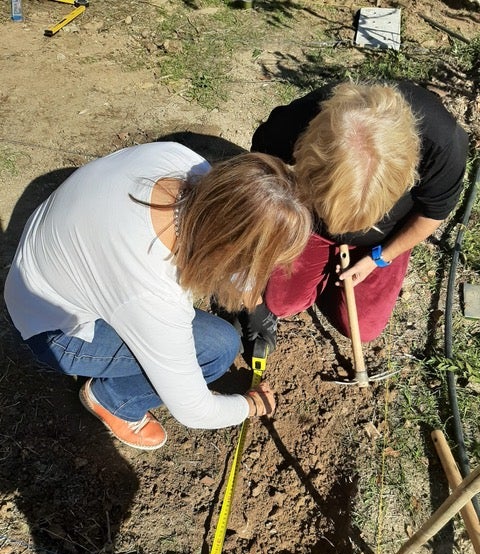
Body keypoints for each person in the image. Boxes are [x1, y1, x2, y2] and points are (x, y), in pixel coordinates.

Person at [4, 142, 312, 450]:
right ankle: (114, 401)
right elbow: (194, 410)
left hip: (43, 267)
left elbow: (224, 229)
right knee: (217, 348)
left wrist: (251, 296)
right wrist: (251, 406)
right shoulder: (151, 293)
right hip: (53, 331)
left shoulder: (182, 162)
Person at [245, 80, 469, 349]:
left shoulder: (442, 144)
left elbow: (432, 214)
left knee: (362, 328)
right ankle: (319, 273)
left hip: (381, 240)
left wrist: (379, 258)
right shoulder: (292, 123)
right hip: (311, 226)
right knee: (281, 304)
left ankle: (330, 281)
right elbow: (264, 182)